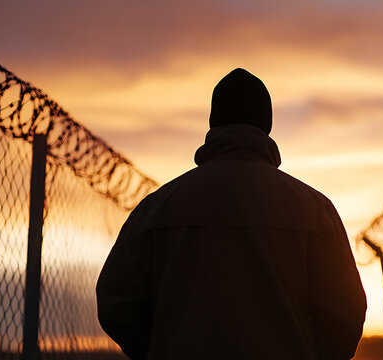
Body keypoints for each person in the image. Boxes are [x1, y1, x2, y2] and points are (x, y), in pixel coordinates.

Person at [96, 68, 367, 360]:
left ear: (213, 122)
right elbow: (345, 313)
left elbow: (117, 304)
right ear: (267, 124)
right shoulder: (315, 211)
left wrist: (164, 347)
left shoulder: (157, 208)